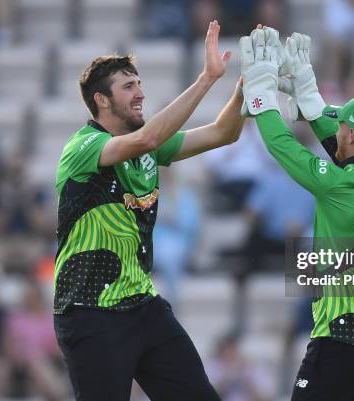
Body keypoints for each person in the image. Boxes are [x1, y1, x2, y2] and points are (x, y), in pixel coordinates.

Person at [53, 21, 245, 401]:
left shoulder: (148, 150)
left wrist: (245, 88)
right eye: (128, 87)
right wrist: (207, 79)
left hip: (143, 304)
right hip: (90, 310)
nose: (140, 93)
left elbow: (225, 133)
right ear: (101, 101)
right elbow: (150, 137)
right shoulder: (83, 147)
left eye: (139, 83)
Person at [240, 27, 354, 401]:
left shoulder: (339, 186)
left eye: (342, 123)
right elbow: (348, 148)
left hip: (342, 334)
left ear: (352, 135)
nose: (338, 126)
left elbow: (282, 146)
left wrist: (262, 97)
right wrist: (309, 99)